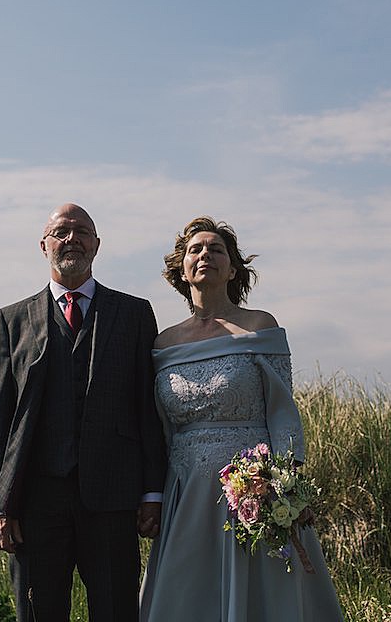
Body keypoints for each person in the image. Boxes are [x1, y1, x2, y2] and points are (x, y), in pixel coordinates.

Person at [140, 216, 345, 621]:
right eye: (195, 249)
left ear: (233, 268)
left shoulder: (259, 326)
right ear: (181, 269)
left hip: (253, 490)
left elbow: (284, 412)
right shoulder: (163, 343)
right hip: (186, 492)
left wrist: (285, 486)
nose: (205, 255)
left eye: (217, 249)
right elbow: (158, 426)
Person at [0, 202, 168, 622]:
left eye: (82, 231)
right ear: (44, 245)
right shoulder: (10, 320)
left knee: (117, 611)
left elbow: (148, 408)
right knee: (38, 613)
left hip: (113, 498)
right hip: (34, 500)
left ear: (97, 244)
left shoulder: (134, 313)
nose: (72, 239)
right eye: (62, 231)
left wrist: (152, 492)